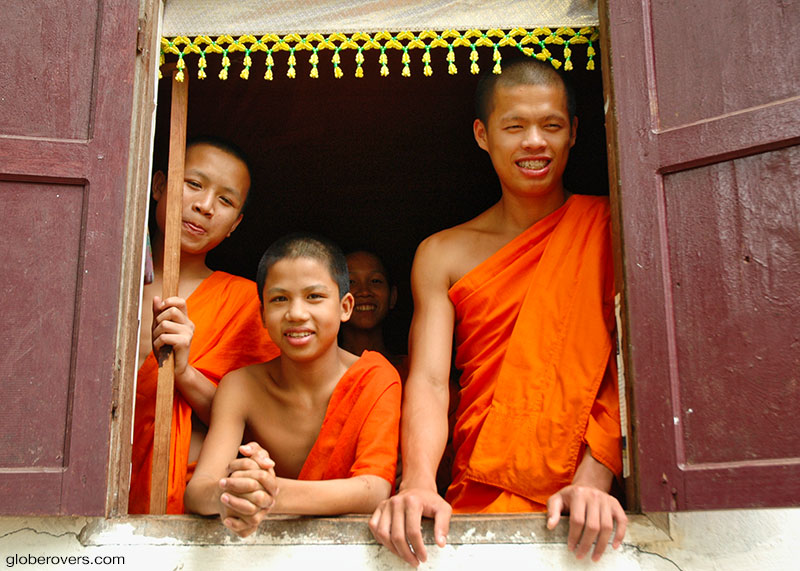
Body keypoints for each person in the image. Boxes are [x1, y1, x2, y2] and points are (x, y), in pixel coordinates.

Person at [369, 58, 626, 565]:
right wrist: (418, 482)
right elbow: (429, 381)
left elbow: (625, 369)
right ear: (483, 135)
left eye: (551, 125)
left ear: (574, 132)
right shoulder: (442, 253)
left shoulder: (610, 226)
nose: (535, 142)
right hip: (479, 488)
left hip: (585, 495)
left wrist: (594, 482)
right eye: (514, 127)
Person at [184, 233, 402, 537]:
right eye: (279, 299)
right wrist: (234, 494)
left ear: (345, 306)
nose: (297, 313)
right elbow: (198, 490)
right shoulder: (241, 387)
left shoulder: (376, 377)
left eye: (314, 296)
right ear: (262, 314)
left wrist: (268, 494)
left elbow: (373, 490)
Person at [128, 136, 280, 514]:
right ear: (159, 185)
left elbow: (267, 427)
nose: (205, 206)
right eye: (193, 184)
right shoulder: (104, 282)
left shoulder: (246, 303)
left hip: (186, 504)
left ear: (235, 224)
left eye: (225, 201)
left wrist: (186, 373)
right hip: (82, 486)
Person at [339, 250, 407, 378]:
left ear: (392, 297)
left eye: (375, 281)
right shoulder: (318, 373)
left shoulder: (415, 372)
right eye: (351, 282)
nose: (364, 292)